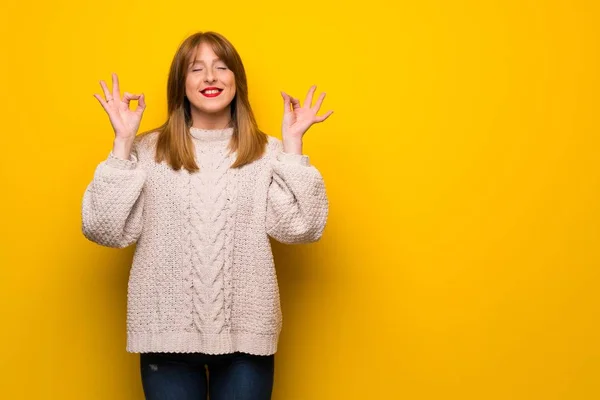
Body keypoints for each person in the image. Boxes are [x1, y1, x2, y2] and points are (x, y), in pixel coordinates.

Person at [81, 31, 331, 400]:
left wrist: (293, 148)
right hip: (166, 338)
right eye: (196, 68)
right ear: (181, 84)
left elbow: (304, 228)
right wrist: (122, 144)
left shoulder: (268, 153)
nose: (210, 77)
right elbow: (105, 228)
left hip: (247, 340)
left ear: (236, 81)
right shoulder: (147, 151)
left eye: (221, 67)